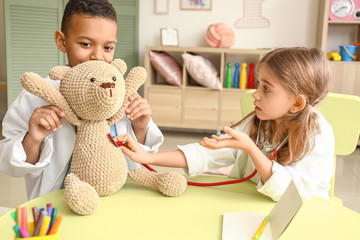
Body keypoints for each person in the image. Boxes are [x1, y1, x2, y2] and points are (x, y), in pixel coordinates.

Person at [117, 47, 335, 201]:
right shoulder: (258, 121)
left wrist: (250, 147)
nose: (255, 95)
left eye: (266, 89)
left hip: (305, 215)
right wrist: (149, 158)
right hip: (250, 203)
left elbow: (290, 194)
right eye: (258, 85)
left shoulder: (318, 135)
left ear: (296, 103)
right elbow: (206, 154)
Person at [0, 0, 163, 200]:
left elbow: (146, 153)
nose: (97, 56)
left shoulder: (118, 91)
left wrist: (141, 127)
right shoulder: (36, 96)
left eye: (108, 47)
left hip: (116, 198)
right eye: (86, 44)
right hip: (57, 201)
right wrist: (32, 139)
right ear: (62, 41)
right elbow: (10, 164)